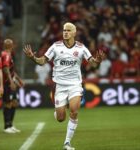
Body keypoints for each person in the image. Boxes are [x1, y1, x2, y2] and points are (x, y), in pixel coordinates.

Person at [23, 22, 105, 150]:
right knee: (61, 118)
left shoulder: (81, 48)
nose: (65, 32)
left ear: (74, 33)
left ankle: (67, 143)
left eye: (68, 30)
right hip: (60, 86)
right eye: (64, 30)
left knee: (74, 111)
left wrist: (98, 61)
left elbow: (93, 64)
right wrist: (33, 57)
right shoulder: (55, 46)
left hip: (75, 85)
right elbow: (42, 61)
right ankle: (58, 111)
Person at [1, 38, 24, 133]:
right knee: (8, 103)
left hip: (11, 81)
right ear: (11, 46)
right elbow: (5, 69)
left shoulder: (8, 54)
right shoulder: (6, 55)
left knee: (14, 102)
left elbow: (11, 71)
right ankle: (7, 126)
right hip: (7, 83)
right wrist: (11, 82)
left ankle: (10, 124)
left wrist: (18, 79)